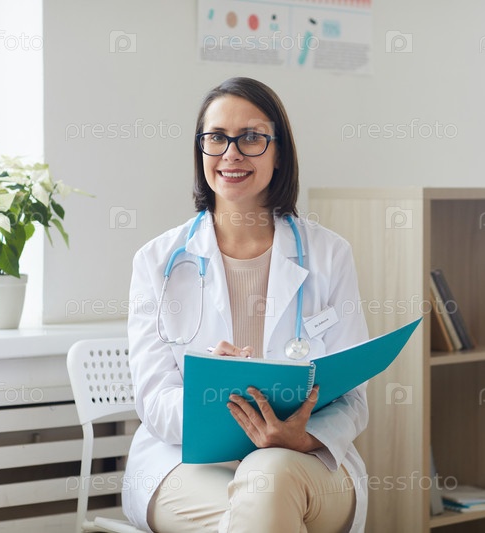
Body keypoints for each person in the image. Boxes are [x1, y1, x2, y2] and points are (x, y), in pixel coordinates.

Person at [122, 77, 370, 533]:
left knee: (267, 480)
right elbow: (154, 400)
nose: (231, 153)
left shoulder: (330, 255)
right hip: (184, 461)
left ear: (280, 154)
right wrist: (215, 402)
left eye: (251, 137)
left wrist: (302, 436)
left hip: (305, 458)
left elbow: (353, 398)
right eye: (216, 137)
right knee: (264, 504)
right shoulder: (156, 263)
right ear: (200, 150)